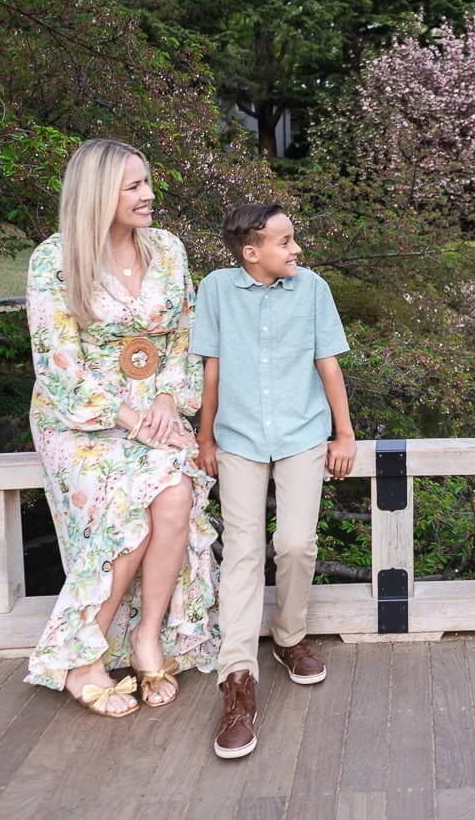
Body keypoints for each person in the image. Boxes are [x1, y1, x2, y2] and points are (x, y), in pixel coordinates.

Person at [24, 139, 219, 717]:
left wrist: (165, 397)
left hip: (157, 406)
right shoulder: (53, 260)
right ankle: (81, 659)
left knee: (176, 492)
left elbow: (186, 337)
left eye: (147, 182)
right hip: (83, 418)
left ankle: (146, 638)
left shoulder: (168, 250)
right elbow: (57, 365)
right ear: (97, 194)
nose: (149, 195)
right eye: (134, 186)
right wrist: (132, 419)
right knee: (131, 502)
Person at [191, 202, 355, 760]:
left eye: (295, 239)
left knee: (294, 543)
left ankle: (288, 638)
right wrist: (205, 436)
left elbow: (327, 363)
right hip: (236, 437)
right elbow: (211, 365)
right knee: (241, 550)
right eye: (285, 242)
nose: (297, 249)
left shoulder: (312, 289)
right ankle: (238, 681)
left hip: (302, 434)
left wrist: (345, 434)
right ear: (250, 252)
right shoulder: (215, 290)